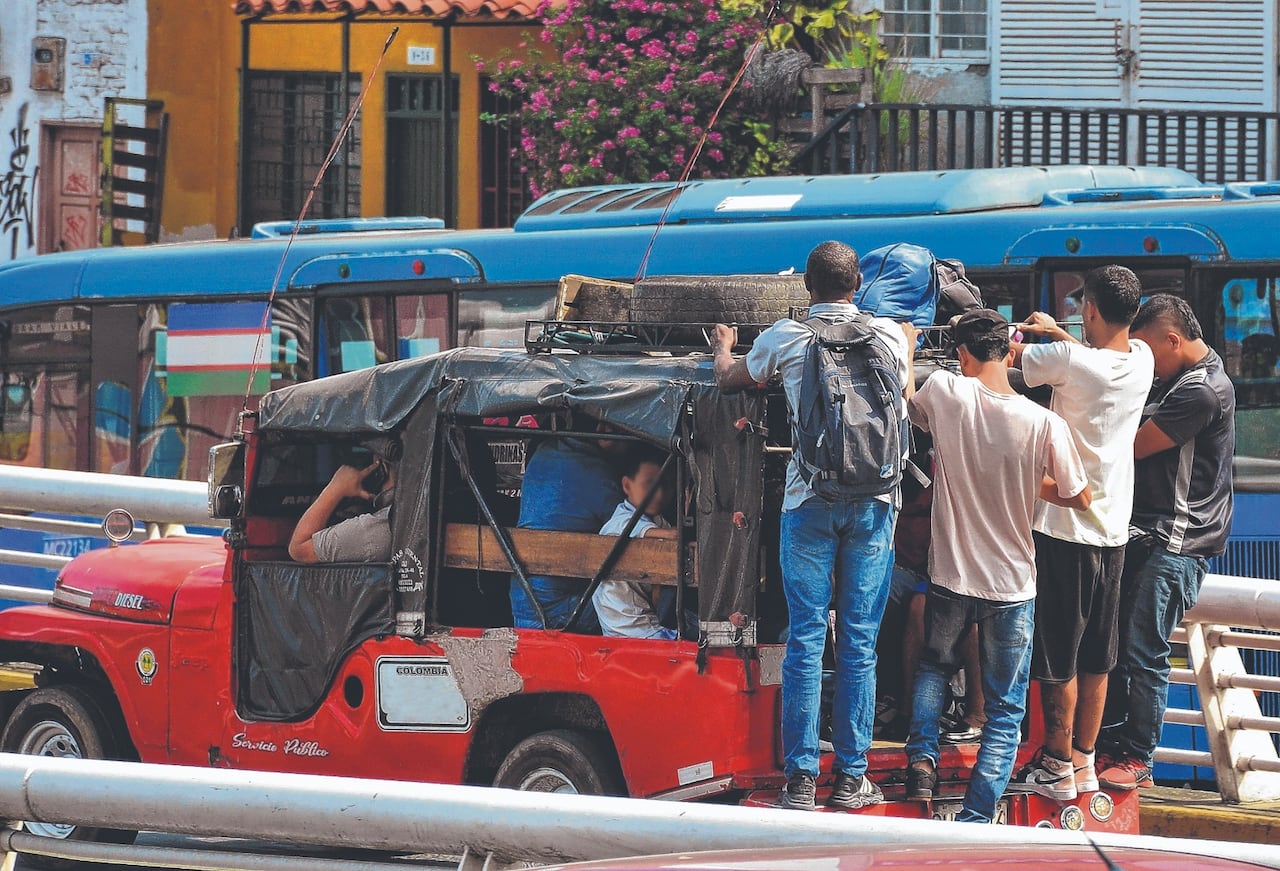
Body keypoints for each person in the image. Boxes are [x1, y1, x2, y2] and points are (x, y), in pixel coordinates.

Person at [712, 240, 914, 812]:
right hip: (875, 504)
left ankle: (800, 779)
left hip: (808, 504)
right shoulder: (890, 338)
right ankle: (852, 777)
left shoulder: (788, 337)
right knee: (859, 642)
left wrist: (724, 347)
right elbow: (904, 392)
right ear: (857, 288)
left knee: (804, 640)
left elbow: (730, 381)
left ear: (808, 286)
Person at [903, 308, 1090, 824]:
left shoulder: (945, 390)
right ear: (1009, 353)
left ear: (962, 355)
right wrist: (1028, 482)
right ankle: (977, 815)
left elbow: (907, 405)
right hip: (1012, 583)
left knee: (934, 670)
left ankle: (922, 760)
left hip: (950, 574)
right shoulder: (1043, 422)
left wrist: (906, 344)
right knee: (1005, 708)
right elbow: (1079, 496)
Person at [1006, 265, 1154, 801]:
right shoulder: (1142, 360)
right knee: (1098, 656)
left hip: (1065, 526)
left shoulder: (1067, 360)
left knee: (1056, 658)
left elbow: (1004, 356)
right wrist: (1062, 334)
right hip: (1113, 531)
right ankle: (1085, 763)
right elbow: (1093, 361)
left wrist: (1028, 333)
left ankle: (1055, 766)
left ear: (1089, 308)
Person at [1097, 294, 1236, 790]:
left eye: (1144, 349)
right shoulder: (1180, 377)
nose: (1140, 361)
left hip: (1177, 542)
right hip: (1149, 536)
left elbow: (1130, 447)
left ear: (1172, 341)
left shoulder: (1200, 391)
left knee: (1143, 651)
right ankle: (1114, 746)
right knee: (1116, 646)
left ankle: (1138, 757)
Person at [510, 424, 623, 633]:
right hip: (558, 607)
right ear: (603, 429)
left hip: (522, 598)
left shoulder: (545, 451)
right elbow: (627, 523)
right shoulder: (595, 469)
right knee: (639, 608)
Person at [592, 451, 679, 640]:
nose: (659, 493)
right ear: (627, 485)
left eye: (665, 485)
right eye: (650, 484)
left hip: (645, 620)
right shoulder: (622, 521)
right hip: (627, 627)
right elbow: (670, 536)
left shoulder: (655, 519)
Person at [288, 458, 395, 563]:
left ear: (382, 469)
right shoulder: (403, 514)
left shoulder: (381, 525)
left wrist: (336, 488)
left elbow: (299, 549)